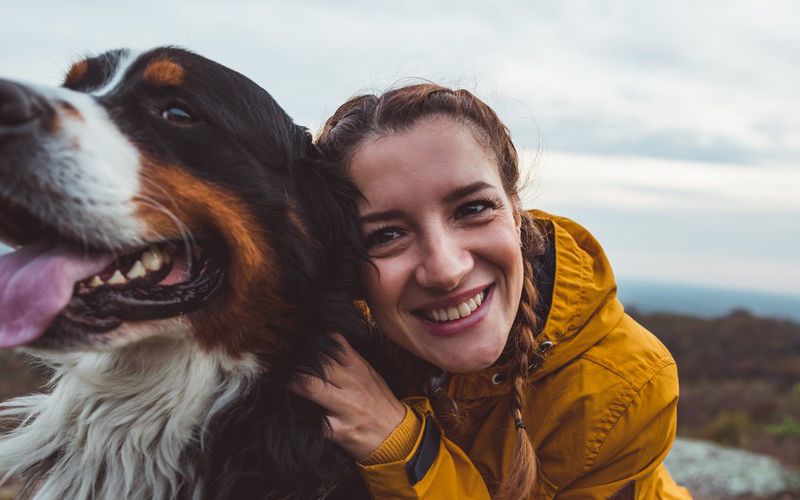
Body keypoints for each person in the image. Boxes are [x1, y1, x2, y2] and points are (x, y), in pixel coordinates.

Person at [292, 83, 692, 499]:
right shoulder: (331, 345)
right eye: (387, 235)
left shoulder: (625, 385)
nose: (446, 270)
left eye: (473, 209)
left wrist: (404, 449)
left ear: (516, 213)